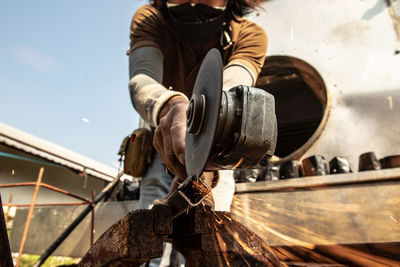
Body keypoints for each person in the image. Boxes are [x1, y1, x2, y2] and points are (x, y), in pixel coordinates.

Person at [128, 0, 267, 265]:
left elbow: (231, 90)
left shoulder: (250, 36)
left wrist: (205, 154)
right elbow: (141, 80)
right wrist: (171, 107)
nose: (192, 3)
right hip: (162, 139)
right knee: (149, 241)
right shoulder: (150, 19)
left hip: (216, 149)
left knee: (207, 239)